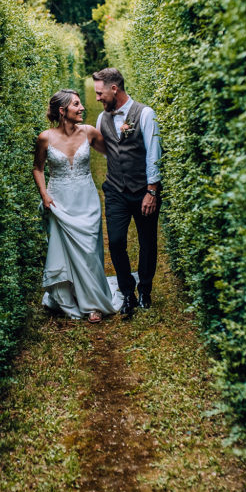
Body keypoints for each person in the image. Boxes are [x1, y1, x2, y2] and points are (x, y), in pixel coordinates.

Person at [33, 89, 122, 322]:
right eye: (76, 104)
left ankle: (93, 304)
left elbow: (112, 153)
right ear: (63, 111)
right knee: (62, 251)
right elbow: (38, 169)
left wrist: (122, 133)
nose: (82, 108)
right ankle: (67, 297)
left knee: (89, 251)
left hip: (86, 199)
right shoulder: (45, 137)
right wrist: (44, 193)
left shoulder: (89, 132)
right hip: (58, 200)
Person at [92, 68, 161, 316]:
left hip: (144, 189)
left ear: (114, 88)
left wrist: (151, 191)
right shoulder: (102, 119)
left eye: (100, 93)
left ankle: (145, 290)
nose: (98, 98)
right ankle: (127, 293)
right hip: (116, 191)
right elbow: (106, 149)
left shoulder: (145, 114)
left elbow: (154, 153)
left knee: (147, 241)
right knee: (117, 241)